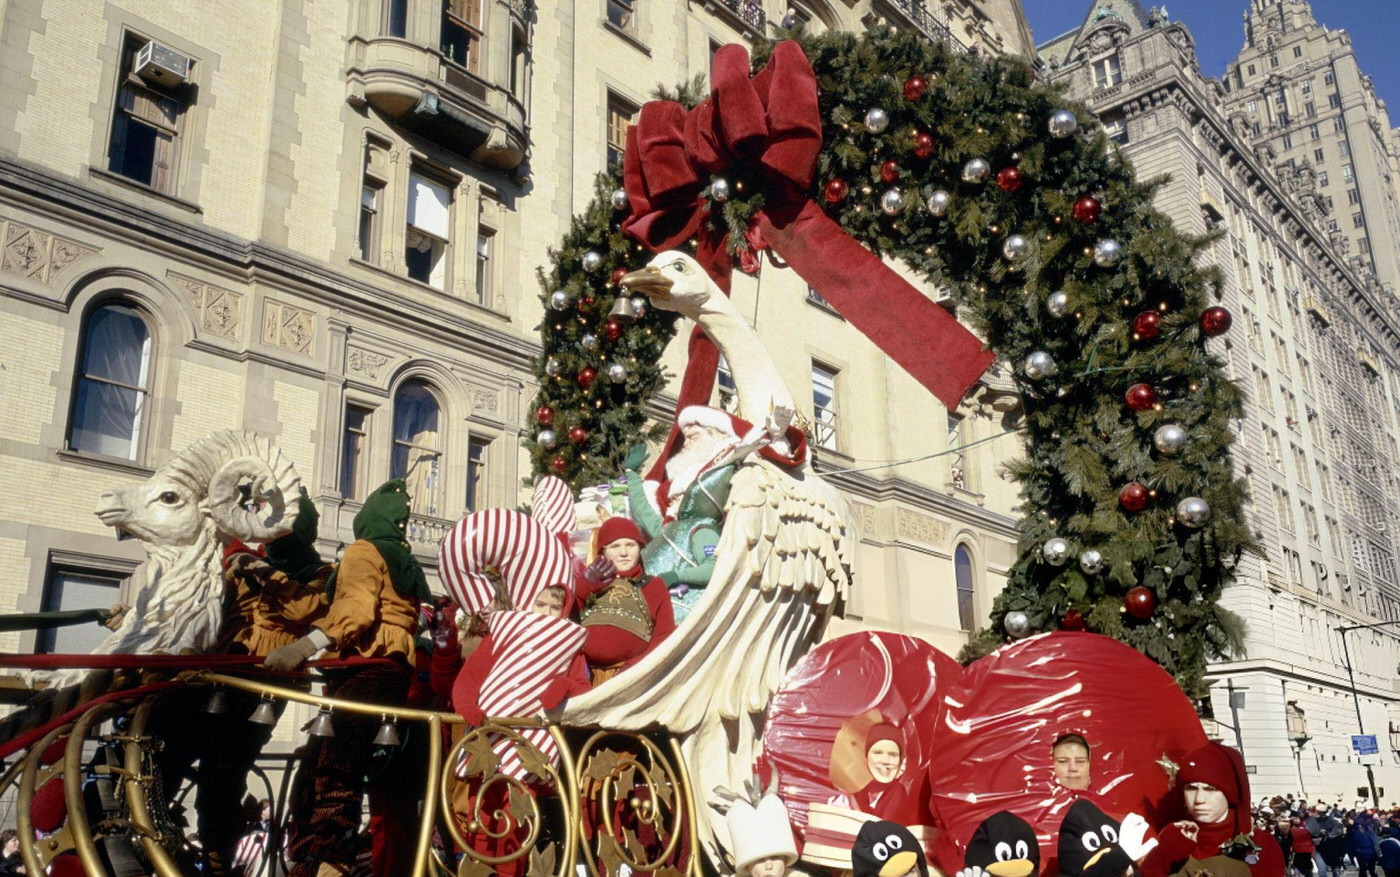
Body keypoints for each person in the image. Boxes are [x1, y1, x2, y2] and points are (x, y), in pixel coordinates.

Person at [266, 479, 428, 877]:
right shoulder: (403, 560)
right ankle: (314, 855)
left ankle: (327, 859)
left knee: (334, 765)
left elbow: (356, 612)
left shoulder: (363, 551)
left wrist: (302, 648)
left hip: (367, 664)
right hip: (392, 669)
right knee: (325, 759)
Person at [622, 405, 801, 621]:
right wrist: (631, 475)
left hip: (681, 615)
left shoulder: (702, 530)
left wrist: (771, 433)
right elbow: (644, 512)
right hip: (647, 611)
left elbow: (713, 566)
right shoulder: (669, 527)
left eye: (692, 437)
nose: (685, 444)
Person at [1141, 741, 1285, 877]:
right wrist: (1164, 854)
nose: (1199, 800)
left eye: (1210, 789)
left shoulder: (1261, 844)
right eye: (1191, 789)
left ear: (1230, 794)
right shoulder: (1172, 837)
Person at [576, 516, 676, 685]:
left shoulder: (654, 586)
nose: (624, 552)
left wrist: (632, 671)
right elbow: (565, 619)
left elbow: (664, 636)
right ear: (603, 552)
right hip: (583, 675)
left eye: (630, 545)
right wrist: (583, 588)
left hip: (632, 679)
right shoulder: (588, 582)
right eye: (615, 546)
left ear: (640, 549)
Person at [1351, 812, 1380, 877]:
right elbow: (1374, 840)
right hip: (1369, 850)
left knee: (1363, 869)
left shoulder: (1354, 828)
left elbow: (1352, 841)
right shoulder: (1370, 827)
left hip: (1360, 850)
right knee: (1371, 870)